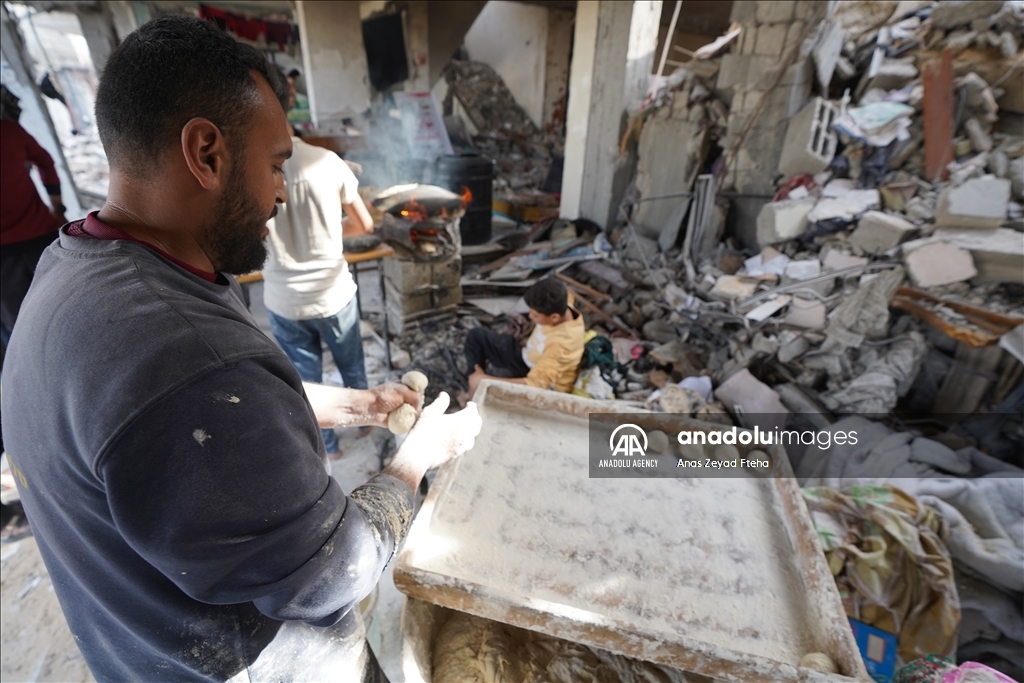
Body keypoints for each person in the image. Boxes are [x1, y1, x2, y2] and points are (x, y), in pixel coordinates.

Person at [1, 16, 480, 682]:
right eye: (277, 163)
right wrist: (414, 463)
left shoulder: (76, 265)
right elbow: (332, 573)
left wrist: (360, 402)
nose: (282, 191)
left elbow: (223, 407)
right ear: (206, 152)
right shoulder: (180, 355)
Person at [263, 74, 377, 459]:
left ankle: (329, 447)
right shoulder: (328, 162)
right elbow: (365, 224)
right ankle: (364, 421)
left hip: (284, 300)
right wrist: (331, 230)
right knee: (352, 368)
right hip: (332, 295)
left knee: (306, 379)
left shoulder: (253, 173)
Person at [0, 85, 65, 347]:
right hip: (42, 237)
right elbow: (45, 161)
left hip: (5, 258)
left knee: (21, 331)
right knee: (66, 306)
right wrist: (57, 207)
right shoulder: (9, 132)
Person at [465, 278, 585, 399]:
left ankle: (474, 390)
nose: (530, 316)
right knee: (477, 336)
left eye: (536, 315)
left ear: (554, 317)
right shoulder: (563, 301)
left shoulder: (561, 346)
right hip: (529, 357)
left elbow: (536, 385)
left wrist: (485, 380)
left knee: (485, 382)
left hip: (543, 383)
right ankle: (474, 380)